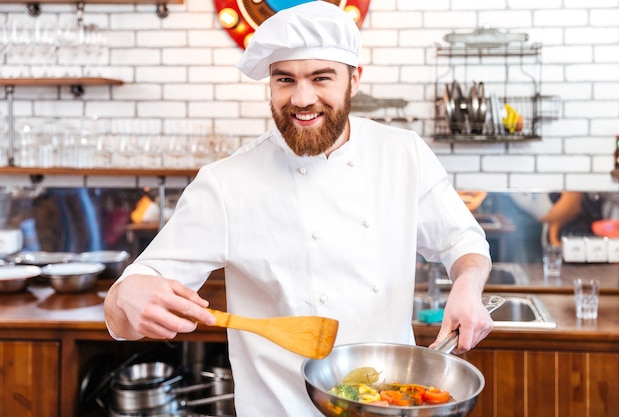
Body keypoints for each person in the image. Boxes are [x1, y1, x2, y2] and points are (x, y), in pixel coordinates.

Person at [104, 2, 493, 415]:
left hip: (391, 405)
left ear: (354, 80)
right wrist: (128, 296)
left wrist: (467, 288)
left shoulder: (403, 154)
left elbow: (462, 240)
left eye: (320, 78)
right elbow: (125, 305)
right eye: (284, 79)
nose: (302, 99)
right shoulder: (227, 183)